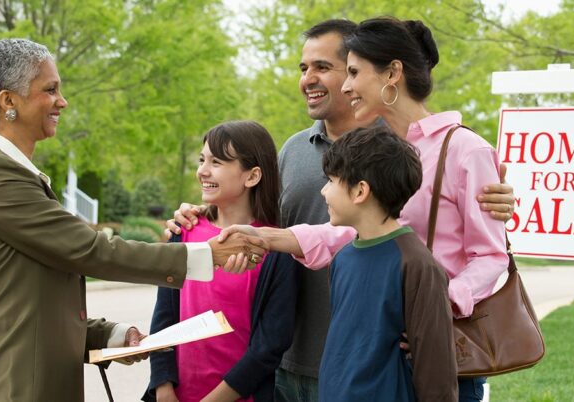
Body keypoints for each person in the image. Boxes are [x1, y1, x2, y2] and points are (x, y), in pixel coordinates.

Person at [168, 19, 515, 402]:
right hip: (365, 357)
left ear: (392, 73)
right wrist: (236, 225)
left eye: (352, 72)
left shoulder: (467, 151)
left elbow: (491, 255)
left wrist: (432, 312)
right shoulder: (371, 150)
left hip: (434, 356)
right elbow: (351, 233)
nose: (346, 86)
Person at [0, 38, 266, 402]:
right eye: (50, 90)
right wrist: (206, 254)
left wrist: (111, 335)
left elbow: (30, 305)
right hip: (7, 387)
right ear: (9, 101)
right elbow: (91, 250)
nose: (62, 101)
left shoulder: (13, 173)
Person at [142, 121, 300, 402]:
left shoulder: (275, 249)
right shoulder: (183, 233)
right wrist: (163, 388)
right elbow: (163, 319)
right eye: (202, 160)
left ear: (251, 176)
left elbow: (270, 346)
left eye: (217, 162)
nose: (203, 171)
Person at [318, 125, 457, 401]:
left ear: (360, 191)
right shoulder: (342, 258)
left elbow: (436, 370)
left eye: (331, 181)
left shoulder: (418, 265)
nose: (324, 191)